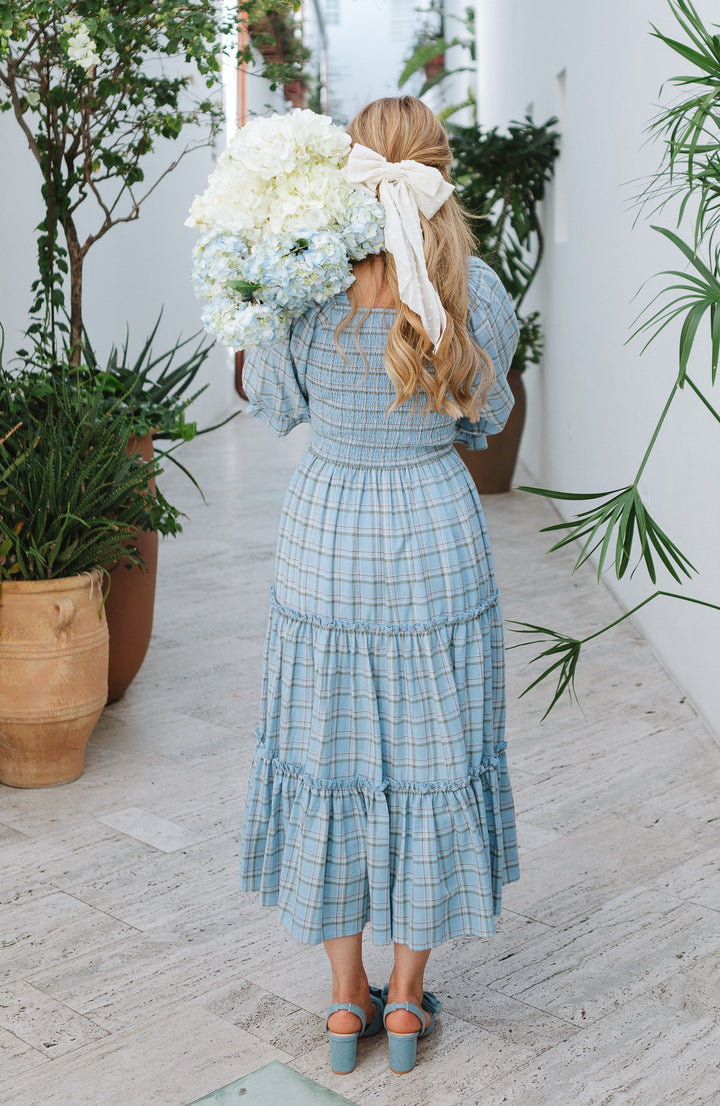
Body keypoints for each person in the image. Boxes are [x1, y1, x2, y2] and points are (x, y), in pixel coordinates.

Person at [239, 95, 520, 1076]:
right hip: (435, 546)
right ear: (443, 171)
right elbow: (484, 423)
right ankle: (405, 1004)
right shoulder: (473, 287)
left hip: (326, 549)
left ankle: (343, 1001)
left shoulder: (308, 288)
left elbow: (273, 403)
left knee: (332, 754)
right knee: (430, 757)